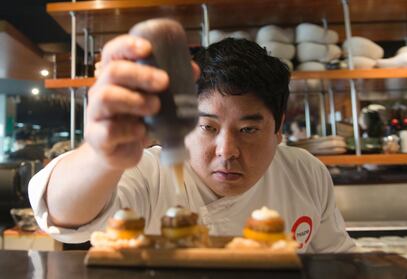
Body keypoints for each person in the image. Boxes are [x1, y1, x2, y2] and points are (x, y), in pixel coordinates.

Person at [28, 36, 355, 252]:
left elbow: (337, 261)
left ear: (279, 128)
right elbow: (64, 215)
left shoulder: (305, 173)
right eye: (207, 126)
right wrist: (102, 154)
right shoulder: (149, 171)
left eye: (248, 130)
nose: (227, 150)